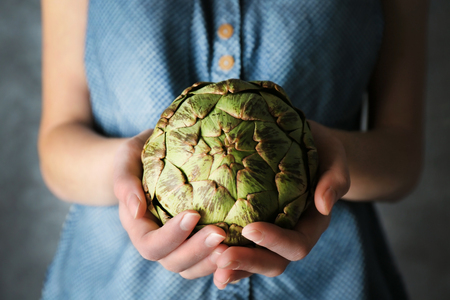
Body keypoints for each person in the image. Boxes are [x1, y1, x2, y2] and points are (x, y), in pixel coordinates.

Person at [39, 0, 427, 299]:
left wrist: (324, 158)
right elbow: (59, 139)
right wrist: (133, 171)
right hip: (115, 283)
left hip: (330, 279)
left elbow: (402, 156)